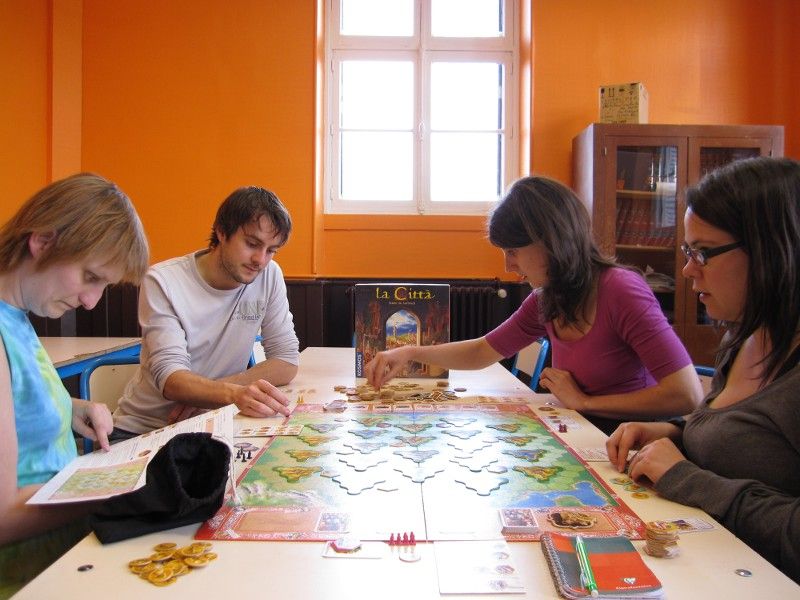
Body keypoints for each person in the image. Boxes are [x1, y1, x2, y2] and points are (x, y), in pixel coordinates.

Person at [366, 175, 702, 433]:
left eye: (513, 251)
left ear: (551, 240)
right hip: (580, 430)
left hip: (628, 439)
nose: (508, 266)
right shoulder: (548, 297)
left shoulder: (621, 289)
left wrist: (586, 402)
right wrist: (410, 352)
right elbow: (483, 351)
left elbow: (687, 394)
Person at [607, 156, 800, 583]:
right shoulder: (744, 336)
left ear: (772, 250)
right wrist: (674, 430)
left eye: (703, 253)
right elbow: (736, 431)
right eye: (687, 251)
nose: (687, 269)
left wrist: (685, 477)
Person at [0, 173, 149, 595]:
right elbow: (2, 516)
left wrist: (69, 409)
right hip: (27, 579)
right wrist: (118, 489)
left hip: (64, 559)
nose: (91, 301)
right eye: (90, 277)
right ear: (43, 241)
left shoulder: (16, 313)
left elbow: (16, 398)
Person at [111, 186, 300, 439]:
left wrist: (212, 395)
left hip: (212, 422)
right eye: (252, 244)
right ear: (221, 232)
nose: (260, 260)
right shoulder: (162, 280)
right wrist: (228, 394)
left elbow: (286, 361)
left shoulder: (269, 275)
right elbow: (172, 379)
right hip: (145, 430)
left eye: (271, 250)